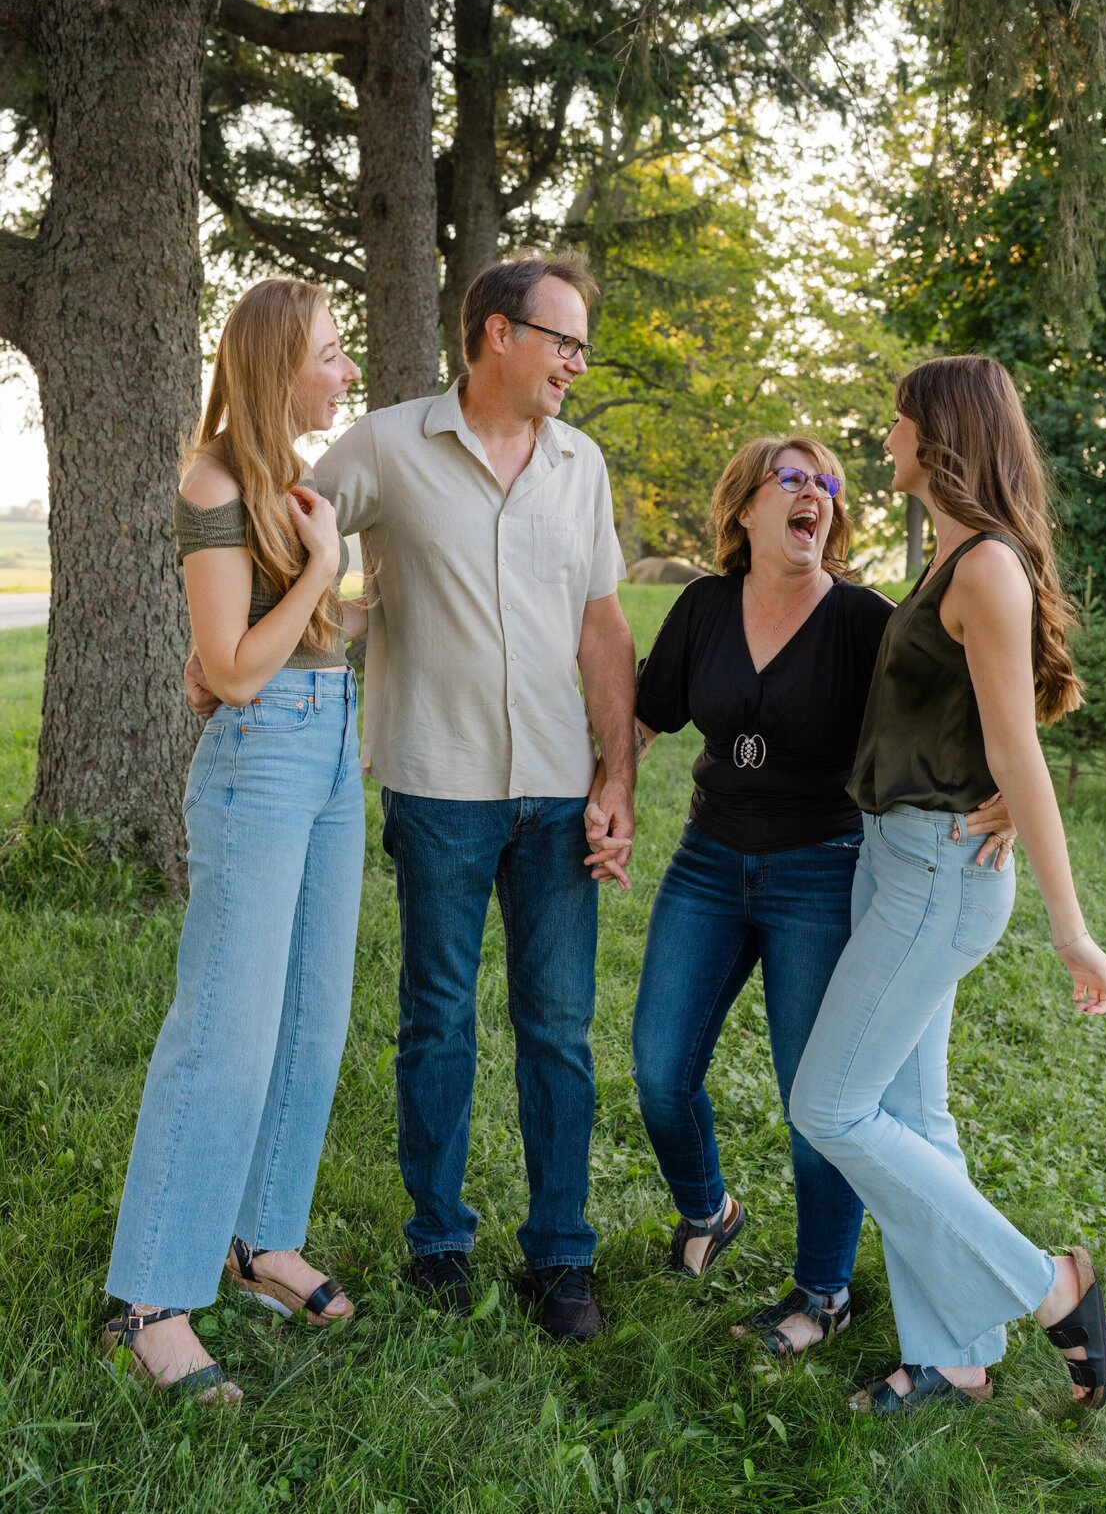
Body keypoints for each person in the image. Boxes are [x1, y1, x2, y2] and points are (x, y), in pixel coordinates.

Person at [585, 435, 1014, 1356]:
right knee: (660, 1071)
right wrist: (610, 790)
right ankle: (710, 1208)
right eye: (793, 479)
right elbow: (648, 713)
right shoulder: (702, 606)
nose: (813, 493)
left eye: (826, 484)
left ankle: (823, 1291)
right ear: (746, 509)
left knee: (814, 1097)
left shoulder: (865, 619)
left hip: (822, 869)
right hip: (708, 860)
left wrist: (1013, 781)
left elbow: (972, 685)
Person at [789, 355, 1106, 1413]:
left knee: (831, 1106)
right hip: (899, 856)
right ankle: (958, 1355)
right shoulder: (952, 555)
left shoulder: (984, 566)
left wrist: (1070, 929)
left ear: (939, 438)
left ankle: (1048, 1287)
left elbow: (1020, 749)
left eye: (896, 423)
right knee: (912, 1115)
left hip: (940, 873)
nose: (883, 439)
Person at [311, 249, 635, 1341]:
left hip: (555, 792)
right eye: (564, 342)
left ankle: (562, 1256)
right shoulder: (389, 445)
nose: (576, 365)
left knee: (558, 1030)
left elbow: (601, 628)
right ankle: (437, 1242)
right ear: (498, 333)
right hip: (438, 787)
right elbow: (288, 528)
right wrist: (274, 634)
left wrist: (618, 772)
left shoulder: (581, 465)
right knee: (437, 1023)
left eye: (582, 347)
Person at [103, 277, 365, 1403]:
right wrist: (321, 567)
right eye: (330, 353)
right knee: (226, 1031)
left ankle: (259, 1241)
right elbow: (229, 671)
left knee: (314, 1019)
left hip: (331, 748)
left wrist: (333, 597)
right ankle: (151, 1299)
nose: (345, 372)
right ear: (274, 365)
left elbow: (284, 647)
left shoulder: (289, 482)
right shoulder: (214, 481)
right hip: (261, 765)